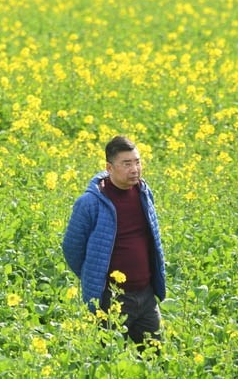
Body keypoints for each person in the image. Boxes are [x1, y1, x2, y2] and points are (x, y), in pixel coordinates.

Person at [62, 135, 166, 346]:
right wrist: (94, 276)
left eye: (137, 162)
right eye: (127, 164)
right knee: (108, 360)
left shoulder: (144, 193)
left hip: (146, 295)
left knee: (155, 358)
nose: (135, 169)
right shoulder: (90, 202)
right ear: (109, 168)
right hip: (112, 299)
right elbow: (72, 248)